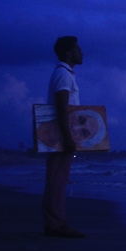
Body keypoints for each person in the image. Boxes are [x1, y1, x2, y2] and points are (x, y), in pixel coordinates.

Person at [43, 36, 85, 238]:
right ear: (68, 53)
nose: (81, 53)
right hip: (61, 135)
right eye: (78, 49)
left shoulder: (65, 74)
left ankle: (54, 223)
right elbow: (62, 107)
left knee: (58, 179)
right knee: (58, 179)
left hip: (62, 134)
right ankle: (56, 224)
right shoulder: (63, 74)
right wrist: (67, 138)